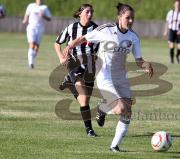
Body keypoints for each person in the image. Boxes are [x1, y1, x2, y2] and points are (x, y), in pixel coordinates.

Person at [63, 2, 153, 152]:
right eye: (127, 18)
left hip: (121, 78)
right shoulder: (106, 30)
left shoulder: (133, 37)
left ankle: (114, 146)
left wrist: (146, 65)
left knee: (128, 111)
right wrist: (70, 45)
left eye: (132, 18)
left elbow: (138, 60)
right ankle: (102, 108)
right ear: (119, 17)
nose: (130, 21)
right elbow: (85, 37)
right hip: (105, 76)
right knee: (120, 108)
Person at [54, 4, 99, 137]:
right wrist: (61, 57)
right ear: (80, 13)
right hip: (75, 63)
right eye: (87, 12)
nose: (90, 14)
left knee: (85, 100)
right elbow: (57, 43)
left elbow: (102, 46)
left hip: (90, 65)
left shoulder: (96, 29)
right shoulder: (71, 28)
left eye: (92, 12)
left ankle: (69, 83)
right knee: (84, 100)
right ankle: (89, 130)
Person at [22, 0, 52, 69]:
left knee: (37, 46)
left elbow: (49, 18)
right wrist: (25, 20)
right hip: (31, 27)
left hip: (40, 28)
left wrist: (43, 15)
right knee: (32, 44)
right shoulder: (31, 6)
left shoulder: (44, 7)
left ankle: (32, 59)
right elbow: (27, 14)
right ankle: (31, 62)